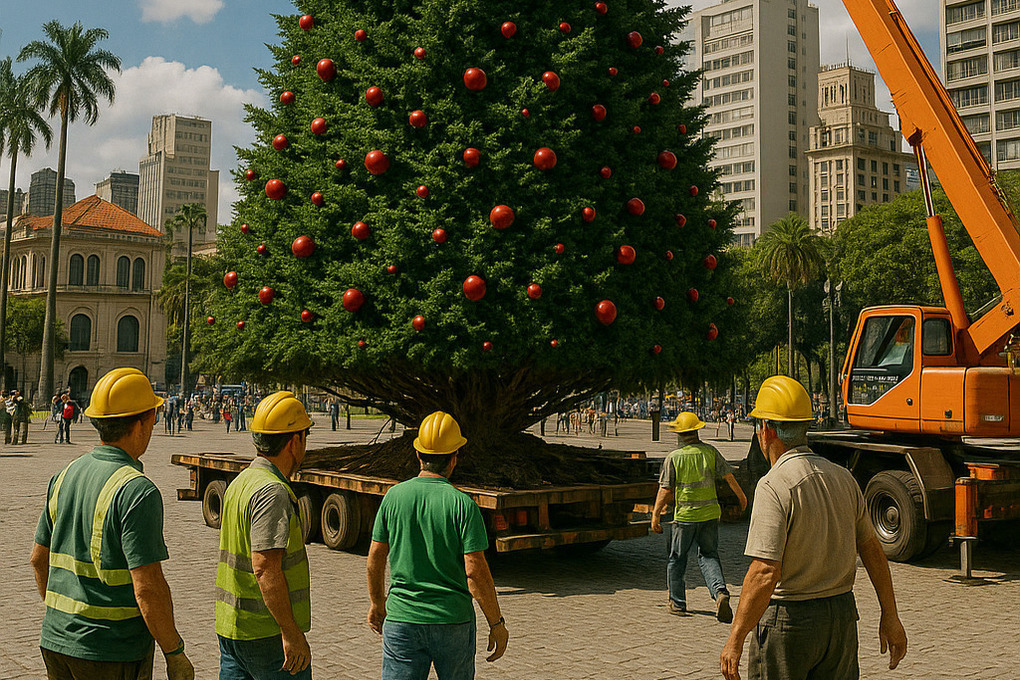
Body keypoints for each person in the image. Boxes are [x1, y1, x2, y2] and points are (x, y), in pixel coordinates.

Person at [720, 376, 907, 680]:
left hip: (791, 624)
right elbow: (873, 549)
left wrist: (735, 638)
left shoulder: (773, 485)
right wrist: (891, 614)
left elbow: (764, 572)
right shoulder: (844, 478)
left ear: (766, 429)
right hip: (841, 619)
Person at [29, 367, 194, 680]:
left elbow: (38, 560)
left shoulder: (64, 475)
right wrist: (175, 653)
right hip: (110, 651)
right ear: (141, 423)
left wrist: (63, 619)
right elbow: (147, 589)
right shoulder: (136, 490)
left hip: (56, 641)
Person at [367, 411, 509, 679]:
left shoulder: (393, 497)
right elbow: (475, 571)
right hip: (453, 621)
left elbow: (375, 556)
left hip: (402, 620)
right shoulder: (463, 505)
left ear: (418, 455)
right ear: (454, 459)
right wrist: (496, 623)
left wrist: (377, 603)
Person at [216, 391, 313, 679]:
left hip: (232, 628)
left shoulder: (241, 481)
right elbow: (264, 567)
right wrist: (290, 631)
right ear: (294, 442)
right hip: (266, 634)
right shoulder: (272, 491)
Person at [652, 412, 747, 621]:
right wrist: (742, 498)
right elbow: (729, 477)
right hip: (710, 515)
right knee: (709, 555)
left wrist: (655, 514)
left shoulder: (674, 458)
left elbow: (665, 490)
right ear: (696, 431)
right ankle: (720, 591)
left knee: (677, 559)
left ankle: (677, 603)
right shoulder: (710, 452)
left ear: (679, 434)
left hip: (685, 517)